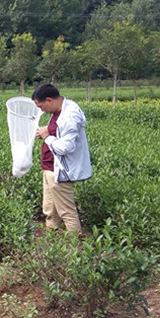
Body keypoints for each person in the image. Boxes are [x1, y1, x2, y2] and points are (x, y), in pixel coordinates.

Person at [32, 83, 92, 232]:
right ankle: (53, 243)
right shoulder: (58, 111)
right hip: (49, 168)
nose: (42, 111)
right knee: (50, 210)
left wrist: (47, 137)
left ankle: (76, 248)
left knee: (67, 212)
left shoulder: (70, 116)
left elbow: (66, 147)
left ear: (49, 100)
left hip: (60, 171)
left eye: (41, 106)